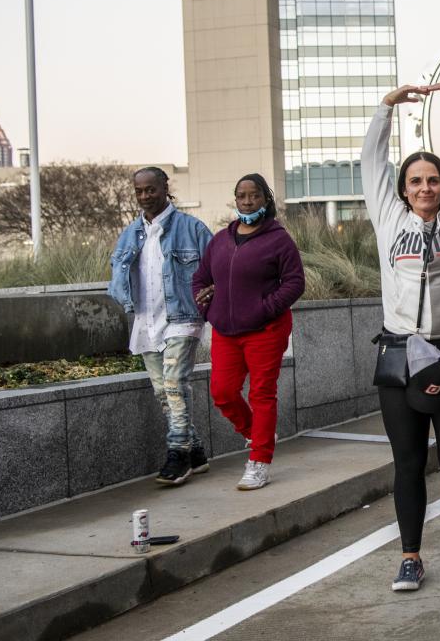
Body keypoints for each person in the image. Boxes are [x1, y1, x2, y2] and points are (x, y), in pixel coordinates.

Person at [362, 81, 440, 592]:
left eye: (433, 180)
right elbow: (372, 161)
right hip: (400, 355)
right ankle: (411, 558)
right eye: (415, 180)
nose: (424, 188)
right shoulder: (387, 217)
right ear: (403, 188)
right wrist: (385, 110)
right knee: (408, 462)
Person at [192, 173, 304, 492]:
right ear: (235, 200)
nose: (247, 200)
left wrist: (265, 308)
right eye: (241, 195)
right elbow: (199, 279)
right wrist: (207, 309)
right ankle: (257, 432)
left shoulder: (278, 239)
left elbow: (295, 282)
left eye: (254, 195)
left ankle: (259, 461)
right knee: (222, 392)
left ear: (265, 200)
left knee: (261, 393)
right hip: (226, 331)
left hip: (265, 330)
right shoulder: (221, 240)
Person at [108, 167, 214, 485]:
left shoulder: (192, 228)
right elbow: (117, 276)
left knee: (174, 385)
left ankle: (178, 454)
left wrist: (210, 293)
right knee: (162, 392)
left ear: (165, 188)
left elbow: (217, 268)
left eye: (150, 189)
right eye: (139, 191)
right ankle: (195, 452)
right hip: (146, 319)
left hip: (184, 318)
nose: (145, 196)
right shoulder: (130, 234)